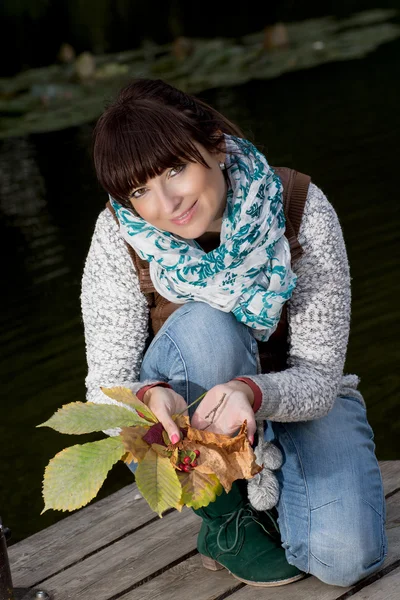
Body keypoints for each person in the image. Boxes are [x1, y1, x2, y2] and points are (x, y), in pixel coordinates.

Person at [81, 78, 387, 588]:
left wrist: (251, 391)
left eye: (175, 168)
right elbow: (104, 387)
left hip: (290, 396)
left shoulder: (299, 208)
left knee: (346, 559)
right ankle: (226, 519)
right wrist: (149, 398)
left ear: (216, 146)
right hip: (190, 419)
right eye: (139, 190)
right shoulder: (119, 238)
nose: (167, 203)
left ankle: (279, 482)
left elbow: (318, 374)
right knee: (209, 324)